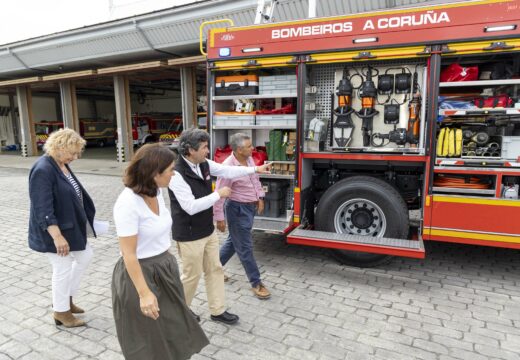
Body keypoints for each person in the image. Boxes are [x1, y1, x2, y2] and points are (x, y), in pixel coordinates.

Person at [112, 143, 208, 360]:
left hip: (164, 268)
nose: (173, 175)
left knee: (175, 328)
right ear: (154, 173)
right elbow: (128, 254)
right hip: (140, 274)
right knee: (148, 338)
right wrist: (144, 294)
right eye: (170, 170)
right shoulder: (127, 203)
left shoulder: (156, 192)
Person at [168, 128, 272, 325]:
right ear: (190, 150)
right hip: (189, 234)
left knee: (215, 270)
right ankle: (180, 311)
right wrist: (219, 194)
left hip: (207, 230)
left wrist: (255, 169)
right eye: (205, 147)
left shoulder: (204, 164)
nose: (208, 151)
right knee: (192, 275)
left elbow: (228, 170)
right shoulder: (176, 174)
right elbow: (190, 207)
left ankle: (217, 311)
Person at [28, 128, 95, 328]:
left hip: (68, 226)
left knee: (85, 256)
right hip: (53, 230)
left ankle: (67, 299)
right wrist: (56, 236)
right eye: (72, 153)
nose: (75, 157)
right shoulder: (43, 169)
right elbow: (43, 208)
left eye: (77, 153)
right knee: (62, 268)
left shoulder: (60, 163)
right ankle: (61, 311)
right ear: (59, 147)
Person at [214, 133, 271, 299]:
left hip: (249, 209)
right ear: (239, 150)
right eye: (249, 146)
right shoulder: (227, 168)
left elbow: (255, 179)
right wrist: (219, 218)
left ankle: (212, 269)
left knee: (234, 242)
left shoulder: (249, 159)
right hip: (237, 210)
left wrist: (259, 197)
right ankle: (256, 282)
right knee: (245, 247)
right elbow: (220, 193)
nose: (253, 148)